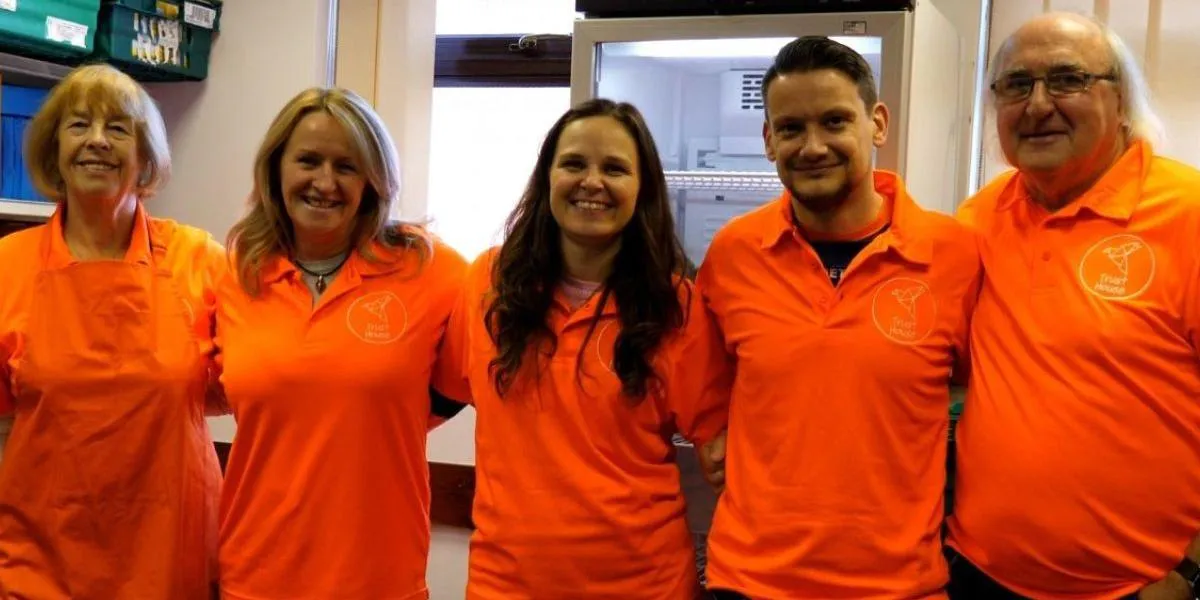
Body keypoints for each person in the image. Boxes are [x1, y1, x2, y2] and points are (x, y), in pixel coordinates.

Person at [695, 36, 982, 599]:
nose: (813, 146)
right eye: (791, 128)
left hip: (901, 587)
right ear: (768, 140)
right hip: (749, 582)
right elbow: (705, 394)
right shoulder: (733, 254)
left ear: (877, 124)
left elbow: (987, 392)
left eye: (834, 121)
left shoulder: (954, 255)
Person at [946, 13, 1200, 600]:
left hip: (1138, 588)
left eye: (1066, 79)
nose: (1037, 105)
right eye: (1016, 84)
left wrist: (1190, 571)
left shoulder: (1186, 214)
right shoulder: (979, 219)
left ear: (1120, 99)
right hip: (979, 572)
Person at [436, 98, 730, 599]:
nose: (592, 182)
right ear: (547, 176)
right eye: (574, 163)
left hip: (645, 586)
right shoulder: (487, 283)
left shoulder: (676, 305)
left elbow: (722, 450)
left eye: (614, 168)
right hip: (505, 585)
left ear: (643, 189)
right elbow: (427, 397)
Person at [212, 87, 469, 599]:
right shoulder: (234, 272)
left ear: (373, 179)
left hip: (380, 577)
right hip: (256, 573)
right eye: (308, 160)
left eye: (346, 166)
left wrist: (390, 410)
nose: (325, 183)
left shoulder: (428, 267)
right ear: (276, 168)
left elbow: (469, 378)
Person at [0, 64, 223, 599]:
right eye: (79, 126)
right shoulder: (7, 266)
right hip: (42, 559)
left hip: (175, 554)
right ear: (54, 151)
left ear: (146, 157)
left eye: (118, 128)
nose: (97, 141)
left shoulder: (201, 260)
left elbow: (257, 375)